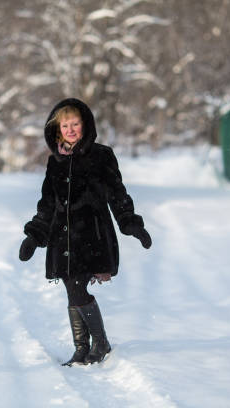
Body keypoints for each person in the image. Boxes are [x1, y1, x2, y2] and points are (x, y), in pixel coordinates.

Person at [19, 98, 151, 366]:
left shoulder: (101, 156)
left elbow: (118, 194)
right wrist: (34, 235)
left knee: (78, 289)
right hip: (62, 239)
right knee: (71, 289)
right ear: (57, 130)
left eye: (75, 123)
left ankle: (100, 343)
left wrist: (131, 222)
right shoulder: (54, 162)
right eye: (65, 125)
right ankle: (81, 349)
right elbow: (47, 203)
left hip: (91, 237)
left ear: (85, 124)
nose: (70, 129)